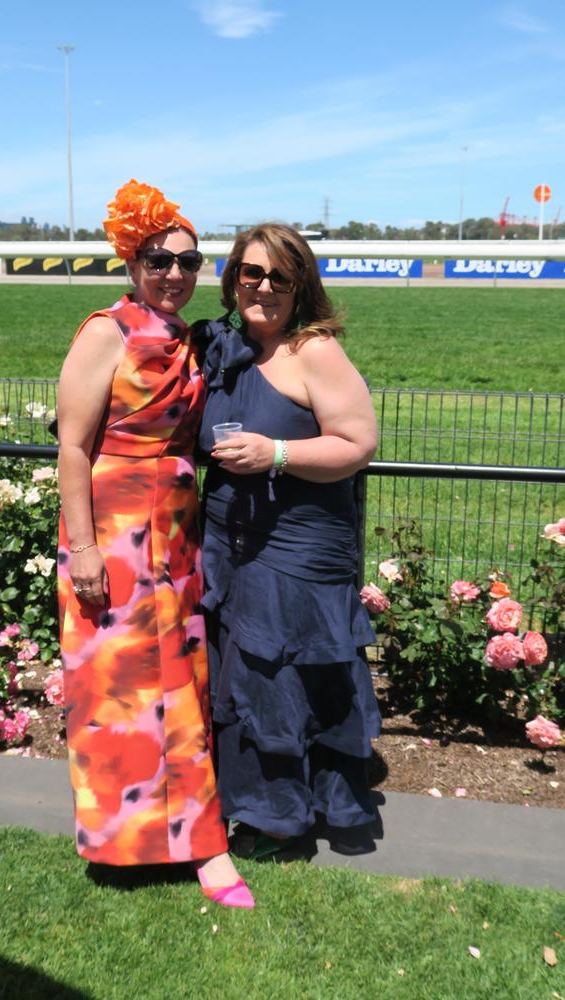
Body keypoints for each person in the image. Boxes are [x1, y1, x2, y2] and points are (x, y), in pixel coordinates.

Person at [57, 179, 253, 908]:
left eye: (187, 260)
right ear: (130, 261)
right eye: (156, 259)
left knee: (182, 688)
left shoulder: (186, 337)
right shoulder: (103, 332)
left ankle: (201, 843)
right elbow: (72, 448)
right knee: (120, 692)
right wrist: (82, 549)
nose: (173, 273)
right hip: (108, 531)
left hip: (174, 530)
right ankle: (134, 842)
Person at [195, 223, 381, 857]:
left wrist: (275, 451)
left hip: (298, 546)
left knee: (288, 679)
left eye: (280, 275)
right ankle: (259, 803)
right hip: (230, 540)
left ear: (301, 284)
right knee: (247, 678)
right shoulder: (222, 344)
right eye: (252, 273)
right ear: (233, 279)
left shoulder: (314, 352)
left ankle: (287, 821)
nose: (264, 287)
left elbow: (357, 445)